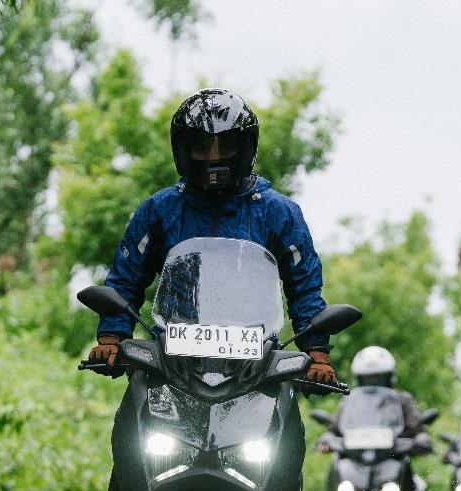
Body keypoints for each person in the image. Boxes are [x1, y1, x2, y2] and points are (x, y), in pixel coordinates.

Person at [86, 88, 339, 388]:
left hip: (256, 367)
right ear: (183, 149)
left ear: (246, 147)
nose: (214, 157)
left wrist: (317, 353)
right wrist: (112, 338)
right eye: (202, 147)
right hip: (172, 365)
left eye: (227, 146)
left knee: (285, 410)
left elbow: (305, 286)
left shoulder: (278, 213)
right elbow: (125, 281)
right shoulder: (159, 210)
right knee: (134, 409)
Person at [316, 346, 431, 452]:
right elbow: (335, 428)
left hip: (393, 456)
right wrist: (326, 438)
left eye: (379, 377)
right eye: (367, 378)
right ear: (359, 379)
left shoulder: (402, 399)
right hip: (354, 455)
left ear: (389, 377)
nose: (373, 382)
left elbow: (417, 429)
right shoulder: (351, 400)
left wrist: (422, 439)